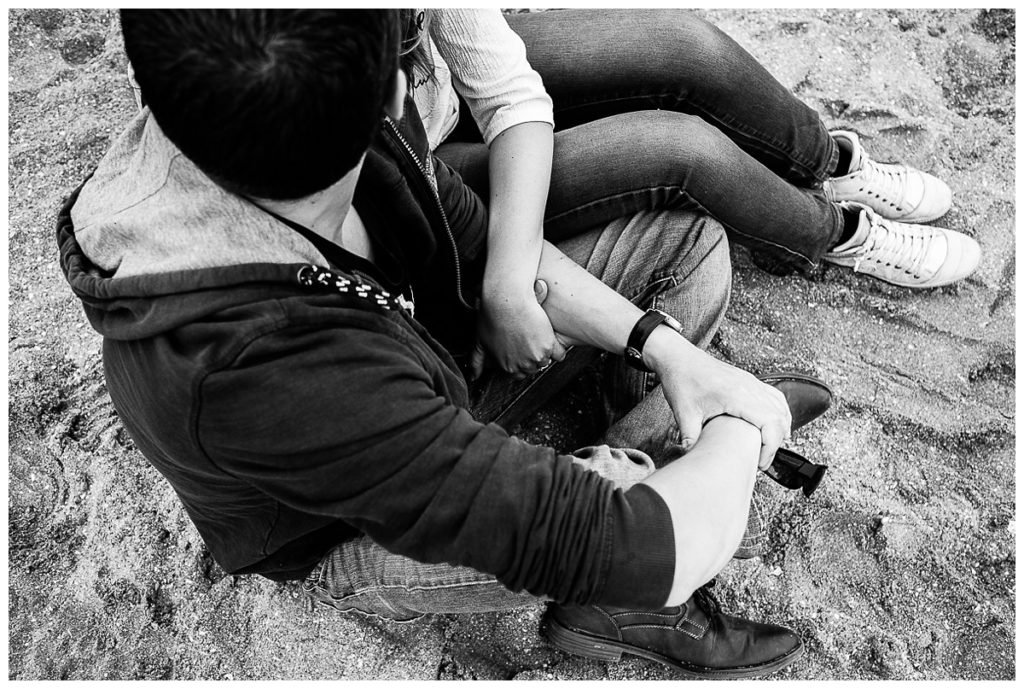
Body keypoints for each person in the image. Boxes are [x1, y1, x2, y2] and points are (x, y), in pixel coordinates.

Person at [58, 10, 836, 678]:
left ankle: (667, 446)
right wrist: (743, 425)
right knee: (626, 528)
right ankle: (615, 599)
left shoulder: (254, 122)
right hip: (341, 527)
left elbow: (469, 232)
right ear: (403, 86)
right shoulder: (257, 370)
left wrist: (669, 352)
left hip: (423, 359)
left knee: (688, 246)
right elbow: (643, 547)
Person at [401, 8, 983, 377]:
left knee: (685, 45)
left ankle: (825, 162)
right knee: (680, 152)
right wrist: (505, 283)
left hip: (447, 87)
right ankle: (830, 233)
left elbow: (510, 92)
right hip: (422, 168)